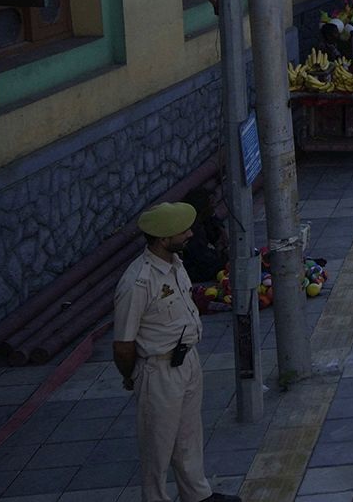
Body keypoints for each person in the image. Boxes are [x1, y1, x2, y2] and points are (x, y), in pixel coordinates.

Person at [114, 201, 241, 502]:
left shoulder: (175, 264)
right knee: (157, 447)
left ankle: (197, 494)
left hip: (187, 362)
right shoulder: (138, 281)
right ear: (161, 239)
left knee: (188, 436)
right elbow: (122, 345)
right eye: (181, 230)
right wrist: (132, 375)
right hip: (158, 369)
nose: (189, 233)